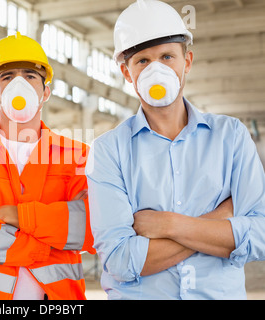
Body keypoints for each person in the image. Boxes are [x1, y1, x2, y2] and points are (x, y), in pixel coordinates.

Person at [86, 0, 265, 299]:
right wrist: (218, 221)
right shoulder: (108, 151)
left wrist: (169, 225)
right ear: (127, 73)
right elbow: (119, 260)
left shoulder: (232, 136)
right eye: (142, 61)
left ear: (188, 61)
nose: (156, 70)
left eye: (167, 56)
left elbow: (259, 237)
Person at [0, 32, 95, 300]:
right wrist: (48, 242)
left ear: (45, 92)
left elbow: (91, 230)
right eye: (7, 77)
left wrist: (15, 215)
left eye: (30, 76)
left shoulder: (78, 155)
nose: (18, 84)